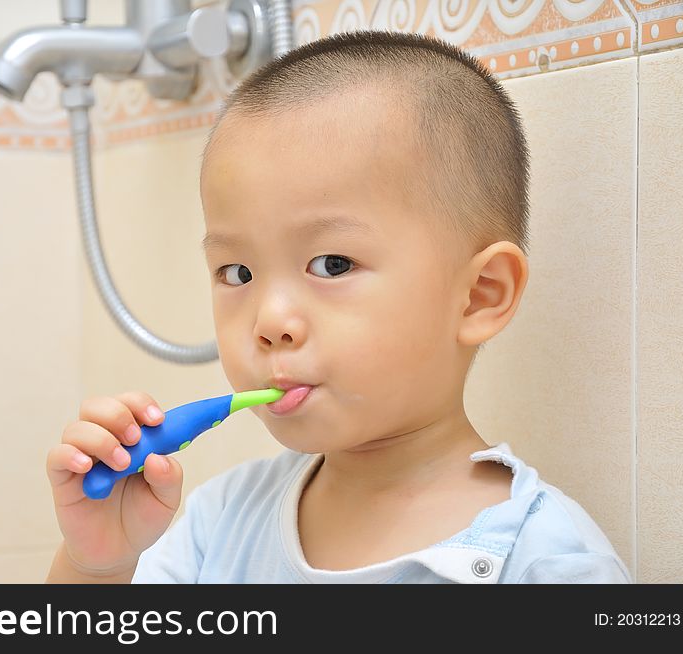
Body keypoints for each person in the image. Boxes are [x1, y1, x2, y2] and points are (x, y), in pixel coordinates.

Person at [45, 30, 631, 583]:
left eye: (332, 264)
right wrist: (95, 568)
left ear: (479, 296)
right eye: (238, 272)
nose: (269, 321)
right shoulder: (215, 523)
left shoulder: (546, 565)